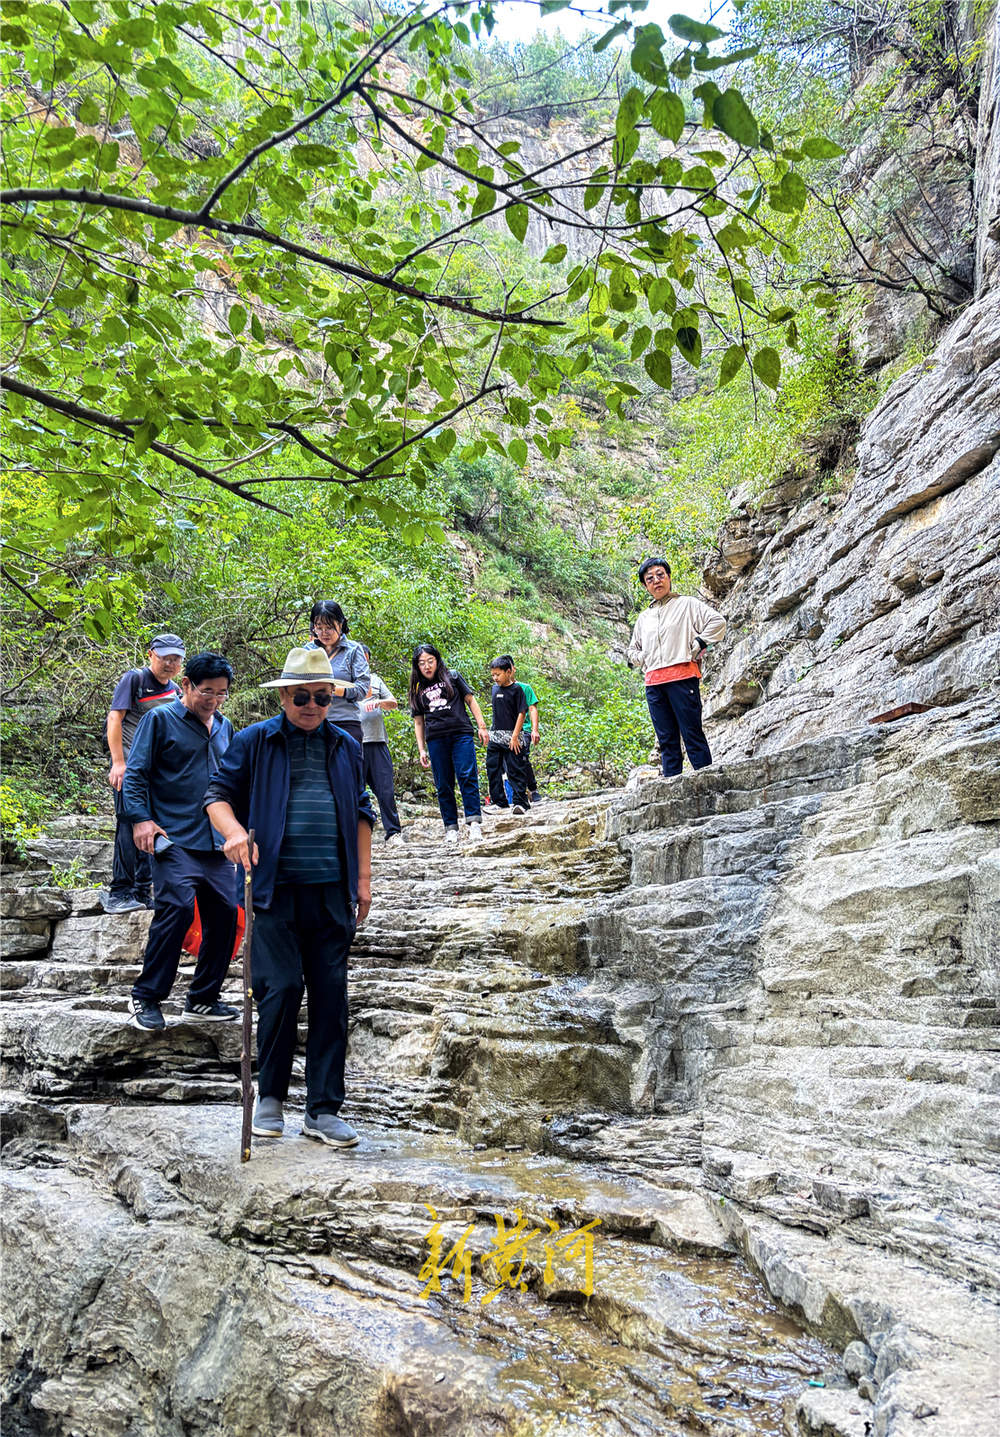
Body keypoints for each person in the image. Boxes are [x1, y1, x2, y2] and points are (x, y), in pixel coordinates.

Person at [204, 646, 375, 1149]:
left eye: (322, 697)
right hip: (270, 890)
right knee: (278, 989)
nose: (312, 705)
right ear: (283, 695)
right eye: (302, 696)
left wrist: (363, 880)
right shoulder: (255, 741)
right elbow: (216, 795)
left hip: (331, 891)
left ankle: (323, 1109)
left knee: (331, 998)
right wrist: (234, 833)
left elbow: (362, 812)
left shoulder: (345, 746)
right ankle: (271, 1097)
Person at [122, 652, 239, 1031]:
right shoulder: (160, 719)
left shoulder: (224, 727)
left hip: (216, 843)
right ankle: (146, 997)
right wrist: (141, 820)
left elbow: (233, 784)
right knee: (177, 909)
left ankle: (203, 998)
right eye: (208, 692)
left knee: (225, 916)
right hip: (172, 837)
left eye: (222, 694)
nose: (214, 701)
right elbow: (136, 774)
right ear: (186, 685)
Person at [103, 633, 185, 914]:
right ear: (151, 654)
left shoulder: (177, 692)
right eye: (165, 657)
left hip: (157, 773)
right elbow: (115, 718)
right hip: (129, 767)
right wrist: (118, 762)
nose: (170, 663)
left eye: (176, 659)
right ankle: (119, 892)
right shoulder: (135, 680)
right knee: (128, 826)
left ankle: (142, 891)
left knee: (153, 827)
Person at [626, 557, 727, 777]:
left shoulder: (687, 604)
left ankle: (708, 783)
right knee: (667, 740)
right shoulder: (644, 618)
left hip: (682, 677)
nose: (656, 581)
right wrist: (643, 658)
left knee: (692, 734)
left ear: (669, 577)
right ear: (645, 586)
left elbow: (718, 622)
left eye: (661, 574)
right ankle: (672, 788)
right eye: (649, 578)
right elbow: (632, 651)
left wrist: (699, 643)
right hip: (654, 684)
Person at [409, 643, 489, 845]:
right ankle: (451, 828)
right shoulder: (417, 688)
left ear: (437, 661)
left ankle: (474, 823)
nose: (427, 666)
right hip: (436, 738)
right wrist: (421, 749)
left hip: (460, 733)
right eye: (422, 663)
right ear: (417, 666)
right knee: (443, 783)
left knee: (466, 775)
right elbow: (418, 720)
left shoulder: (452, 676)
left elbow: (470, 700)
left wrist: (481, 726)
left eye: (430, 661)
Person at [303, 600, 370, 743]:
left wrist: (334, 690)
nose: (323, 633)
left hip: (346, 723)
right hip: (313, 722)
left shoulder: (354, 650)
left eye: (329, 627)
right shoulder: (307, 651)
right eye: (318, 627)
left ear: (340, 624)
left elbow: (362, 688)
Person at [359, 645, 403, 848]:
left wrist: (379, 702)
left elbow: (393, 702)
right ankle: (355, 834)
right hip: (353, 744)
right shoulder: (343, 681)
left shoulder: (375, 680)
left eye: (365, 658)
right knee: (353, 791)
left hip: (377, 742)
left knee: (385, 790)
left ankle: (393, 833)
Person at [486, 655, 530, 814]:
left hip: (513, 737)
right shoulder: (494, 688)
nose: (495, 678)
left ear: (509, 672)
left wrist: (515, 736)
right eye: (493, 675)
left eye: (498, 674)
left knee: (515, 769)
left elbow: (522, 713)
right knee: (492, 768)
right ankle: (499, 802)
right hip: (496, 736)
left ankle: (521, 803)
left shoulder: (517, 689)